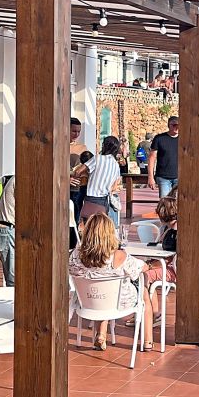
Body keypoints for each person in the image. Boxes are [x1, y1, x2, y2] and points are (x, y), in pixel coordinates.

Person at [68, 213, 153, 351]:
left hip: (88, 301)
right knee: (144, 291)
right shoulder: (119, 256)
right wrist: (149, 265)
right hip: (118, 302)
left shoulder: (75, 255)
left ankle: (101, 334)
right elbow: (140, 268)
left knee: (103, 293)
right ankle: (148, 341)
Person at [142, 195, 178, 317]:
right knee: (143, 273)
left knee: (143, 276)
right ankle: (152, 312)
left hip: (175, 269)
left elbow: (168, 258)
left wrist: (149, 266)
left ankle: (147, 312)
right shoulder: (171, 228)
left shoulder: (175, 231)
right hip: (171, 265)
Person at [82, 137, 124, 225]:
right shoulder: (116, 165)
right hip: (104, 200)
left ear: (104, 146)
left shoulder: (97, 158)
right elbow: (114, 186)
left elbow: (78, 171)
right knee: (100, 227)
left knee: (89, 227)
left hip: (92, 197)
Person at [147, 115, 180, 197]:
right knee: (164, 203)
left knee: (178, 204)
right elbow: (152, 158)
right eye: (174, 125)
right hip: (163, 177)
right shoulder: (159, 138)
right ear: (169, 125)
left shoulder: (183, 139)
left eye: (178, 125)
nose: (176, 127)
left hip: (179, 177)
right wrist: (150, 177)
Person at [69, 118, 88, 218]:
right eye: (74, 131)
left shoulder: (82, 148)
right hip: (62, 186)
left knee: (75, 217)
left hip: (77, 188)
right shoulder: (58, 145)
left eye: (78, 131)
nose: (76, 134)